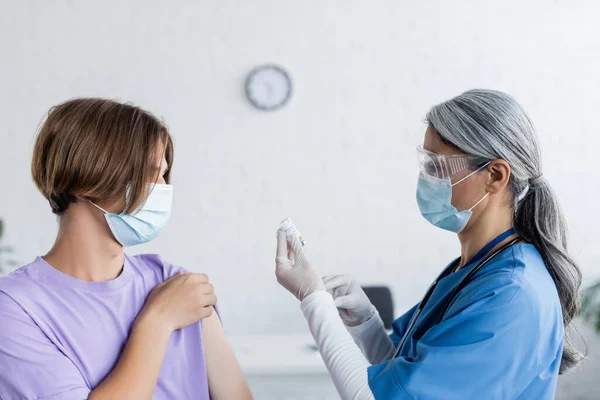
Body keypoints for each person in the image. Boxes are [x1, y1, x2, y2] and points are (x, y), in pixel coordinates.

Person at [275, 89, 582, 399]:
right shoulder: (475, 267)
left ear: (495, 175)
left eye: (437, 168)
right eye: (424, 165)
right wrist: (366, 322)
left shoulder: (510, 293)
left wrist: (313, 299)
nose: (425, 180)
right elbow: (407, 375)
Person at [0, 98, 252, 400]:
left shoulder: (176, 283)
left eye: (163, 174)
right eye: (148, 172)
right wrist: (157, 322)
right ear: (86, 178)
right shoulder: (16, 308)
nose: (162, 188)